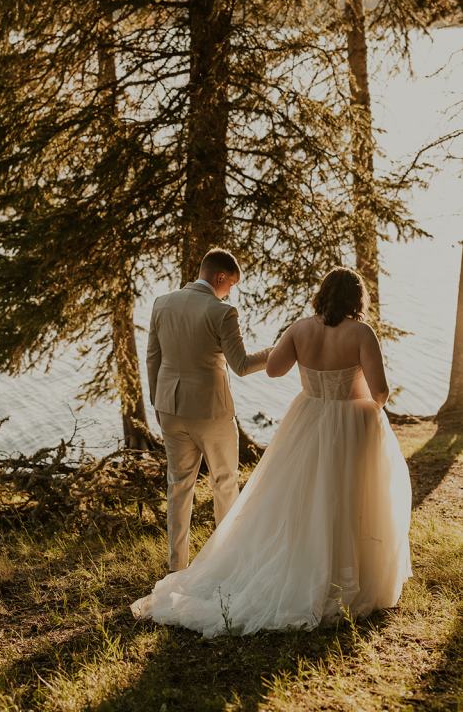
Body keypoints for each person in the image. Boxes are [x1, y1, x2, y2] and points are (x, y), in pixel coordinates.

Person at [132, 266, 412, 636]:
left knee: (302, 499)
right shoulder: (361, 333)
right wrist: (361, 411)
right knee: (351, 497)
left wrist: (296, 355)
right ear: (356, 299)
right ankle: (345, 577)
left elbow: (276, 370)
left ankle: (302, 567)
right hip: (351, 423)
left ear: (323, 295)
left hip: (307, 419)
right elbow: (380, 391)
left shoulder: (300, 328)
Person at [146, 247, 271, 573]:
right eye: (231, 283)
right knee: (224, 482)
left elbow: (153, 358)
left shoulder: (162, 303)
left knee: (178, 486)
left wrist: (157, 402)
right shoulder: (222, 312)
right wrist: (276, 351)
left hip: (170, 409)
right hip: (210, 412)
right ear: (219, 277)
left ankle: (177, 567)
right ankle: (224, 565)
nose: (231, 290)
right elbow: (241, 365)